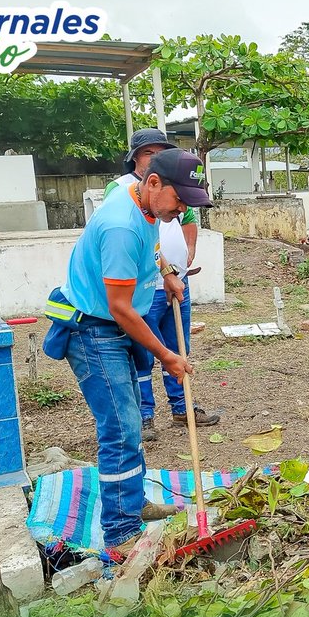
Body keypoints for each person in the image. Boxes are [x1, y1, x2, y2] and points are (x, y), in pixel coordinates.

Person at [51, 148, 209, 558]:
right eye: (180, 199)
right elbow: (120, 308)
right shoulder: (121, 224)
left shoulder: (147, 207)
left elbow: (152, 250)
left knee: (131, 423)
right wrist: (166, 356)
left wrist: (168, 274)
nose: (183, 210)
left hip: (116, 320)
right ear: (153, 182)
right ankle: (120, 532)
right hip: (95, 329)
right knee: (121, 426)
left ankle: (132, 503)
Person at [105, 129, 220, 442]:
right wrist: (163, 272)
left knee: (178, 348)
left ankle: (182, 407)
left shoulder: (176, 190)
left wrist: (176, 268)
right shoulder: (122, 195)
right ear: (135, 159)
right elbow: (137, 246)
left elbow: (182, 225)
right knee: (143, 353)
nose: (155, 158)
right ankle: (144, 415)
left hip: (174, 282)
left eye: (160, 152)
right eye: (148, 153)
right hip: (141, 290)